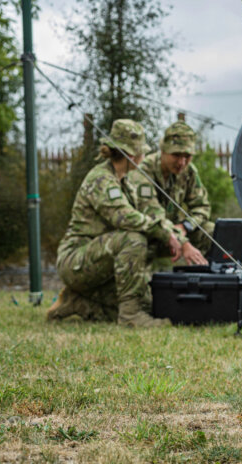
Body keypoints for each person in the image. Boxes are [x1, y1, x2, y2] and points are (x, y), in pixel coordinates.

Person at [47, 119, 180, 328]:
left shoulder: (125, 180)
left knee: (146, 304)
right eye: (141, 152)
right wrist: (163, 232)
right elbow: (125, 217)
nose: (144, 157)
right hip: (76, 260)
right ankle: (131, 317)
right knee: (134, 239)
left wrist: (172, 234)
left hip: (100, 256)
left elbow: (148, 213)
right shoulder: (101, 179)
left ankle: (77, 302)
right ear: (130, 155)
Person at [133, 120, 211, 265]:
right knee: (135, 242)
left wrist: (186, 226)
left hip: (175, 233)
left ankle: (207, 280)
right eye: (176, 155)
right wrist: (184, 243)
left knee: (210, 231)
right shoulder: (144, 171)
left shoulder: (189, 172)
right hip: (148, 234)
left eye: (187, 156)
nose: (182, 162)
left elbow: (202, 207)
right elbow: (153, 215)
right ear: (163, 151)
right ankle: (140, 285)